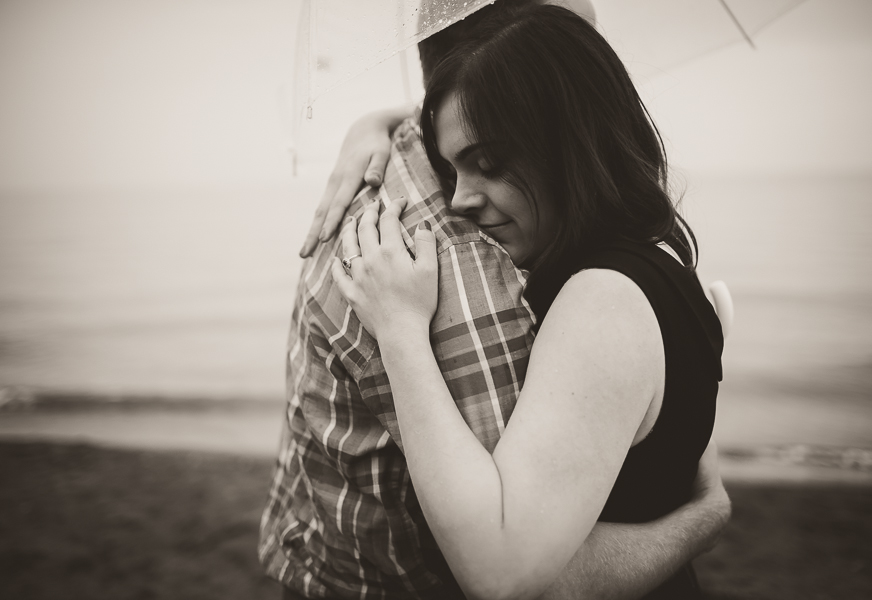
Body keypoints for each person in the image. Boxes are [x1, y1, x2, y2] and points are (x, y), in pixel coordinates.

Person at [260, 1, 730, 598]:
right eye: (461, 166)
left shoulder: (600, 298)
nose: (461, 200)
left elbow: (512, 577)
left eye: (487, 164)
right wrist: (705, 510)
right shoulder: (658, 260)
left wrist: (403, 330)